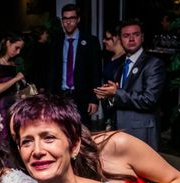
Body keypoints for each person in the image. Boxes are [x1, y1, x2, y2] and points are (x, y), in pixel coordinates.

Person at [94, 19, 166, 150]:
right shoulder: (121, 65)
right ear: (120, 40)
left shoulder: (153, 64)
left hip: (141, 133)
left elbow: (149, 99)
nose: (131, 39)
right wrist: (108, 96)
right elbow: (120, 96)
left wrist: (116, 93)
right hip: (120, 131)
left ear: (142, 37)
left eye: (136, 34)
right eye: (126, 36)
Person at [47, 4, 102, 126]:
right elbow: (52, 72)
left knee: (82, 133)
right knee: (61, 130)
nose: (68, 22)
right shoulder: (56, 41)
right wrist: (49, 98)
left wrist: (94, 100)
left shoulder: (91, 41)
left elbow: (96, 72)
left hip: (82, 97)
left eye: (72, 18)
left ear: (78, 19)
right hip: (60, 96)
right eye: (65, 19)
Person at [0, 33, 26, 128]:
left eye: (20, 49)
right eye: (16, 48)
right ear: (8, 43)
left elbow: (12, 88)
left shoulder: (12, 63)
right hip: (1, 108)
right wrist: (16, 78)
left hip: (13, 107)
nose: (18, 52)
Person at [100, 27, 125, 130]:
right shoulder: (109, 56)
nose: (104, 41)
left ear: (117, 38)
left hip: (118, 107)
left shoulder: (125, 60)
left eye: (107, 38)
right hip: (108, 105)